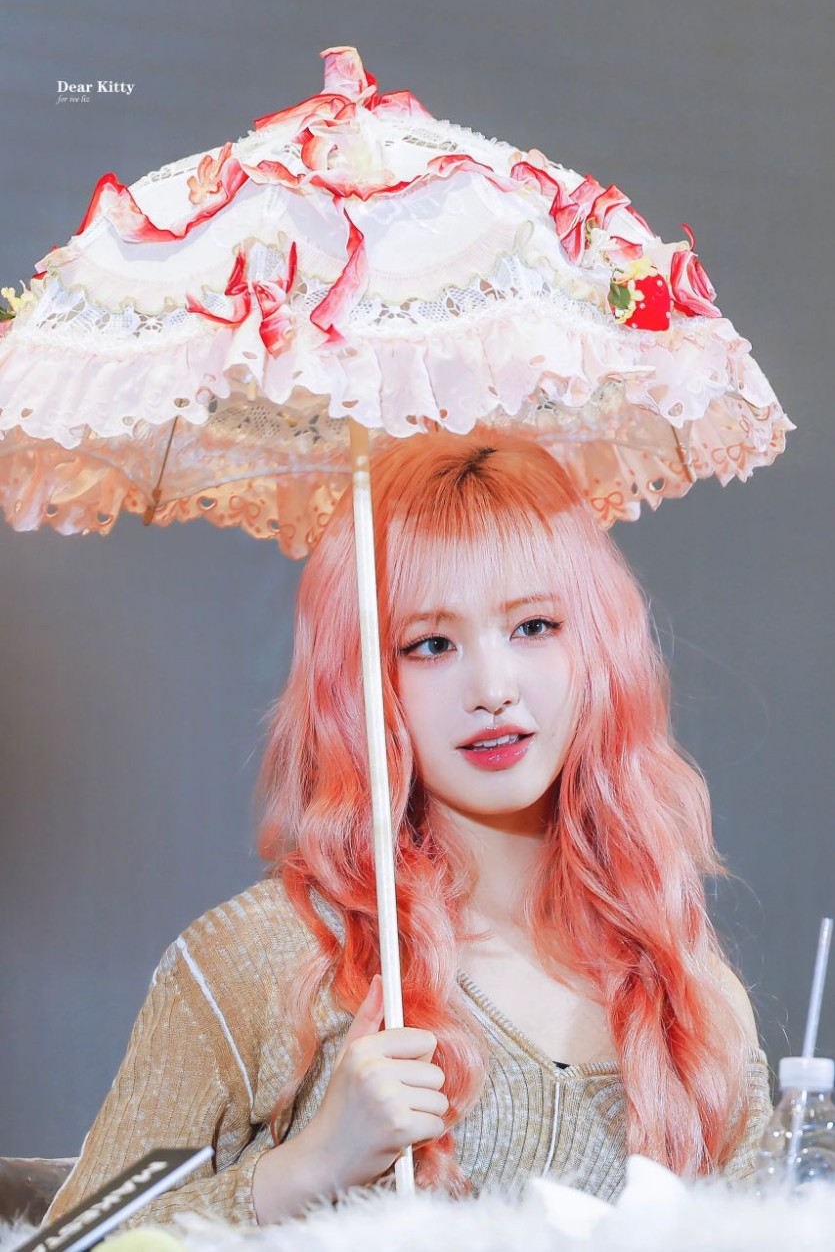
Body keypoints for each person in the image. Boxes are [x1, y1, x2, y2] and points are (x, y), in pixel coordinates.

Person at [45, 431, 770, 1228]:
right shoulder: (258, 960)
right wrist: (309, 1166)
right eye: (431, 644)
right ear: (358, 680)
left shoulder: (692, 999)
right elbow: (75, 1240)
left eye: (533, 626)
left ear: (599, 647)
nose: (492, 687)